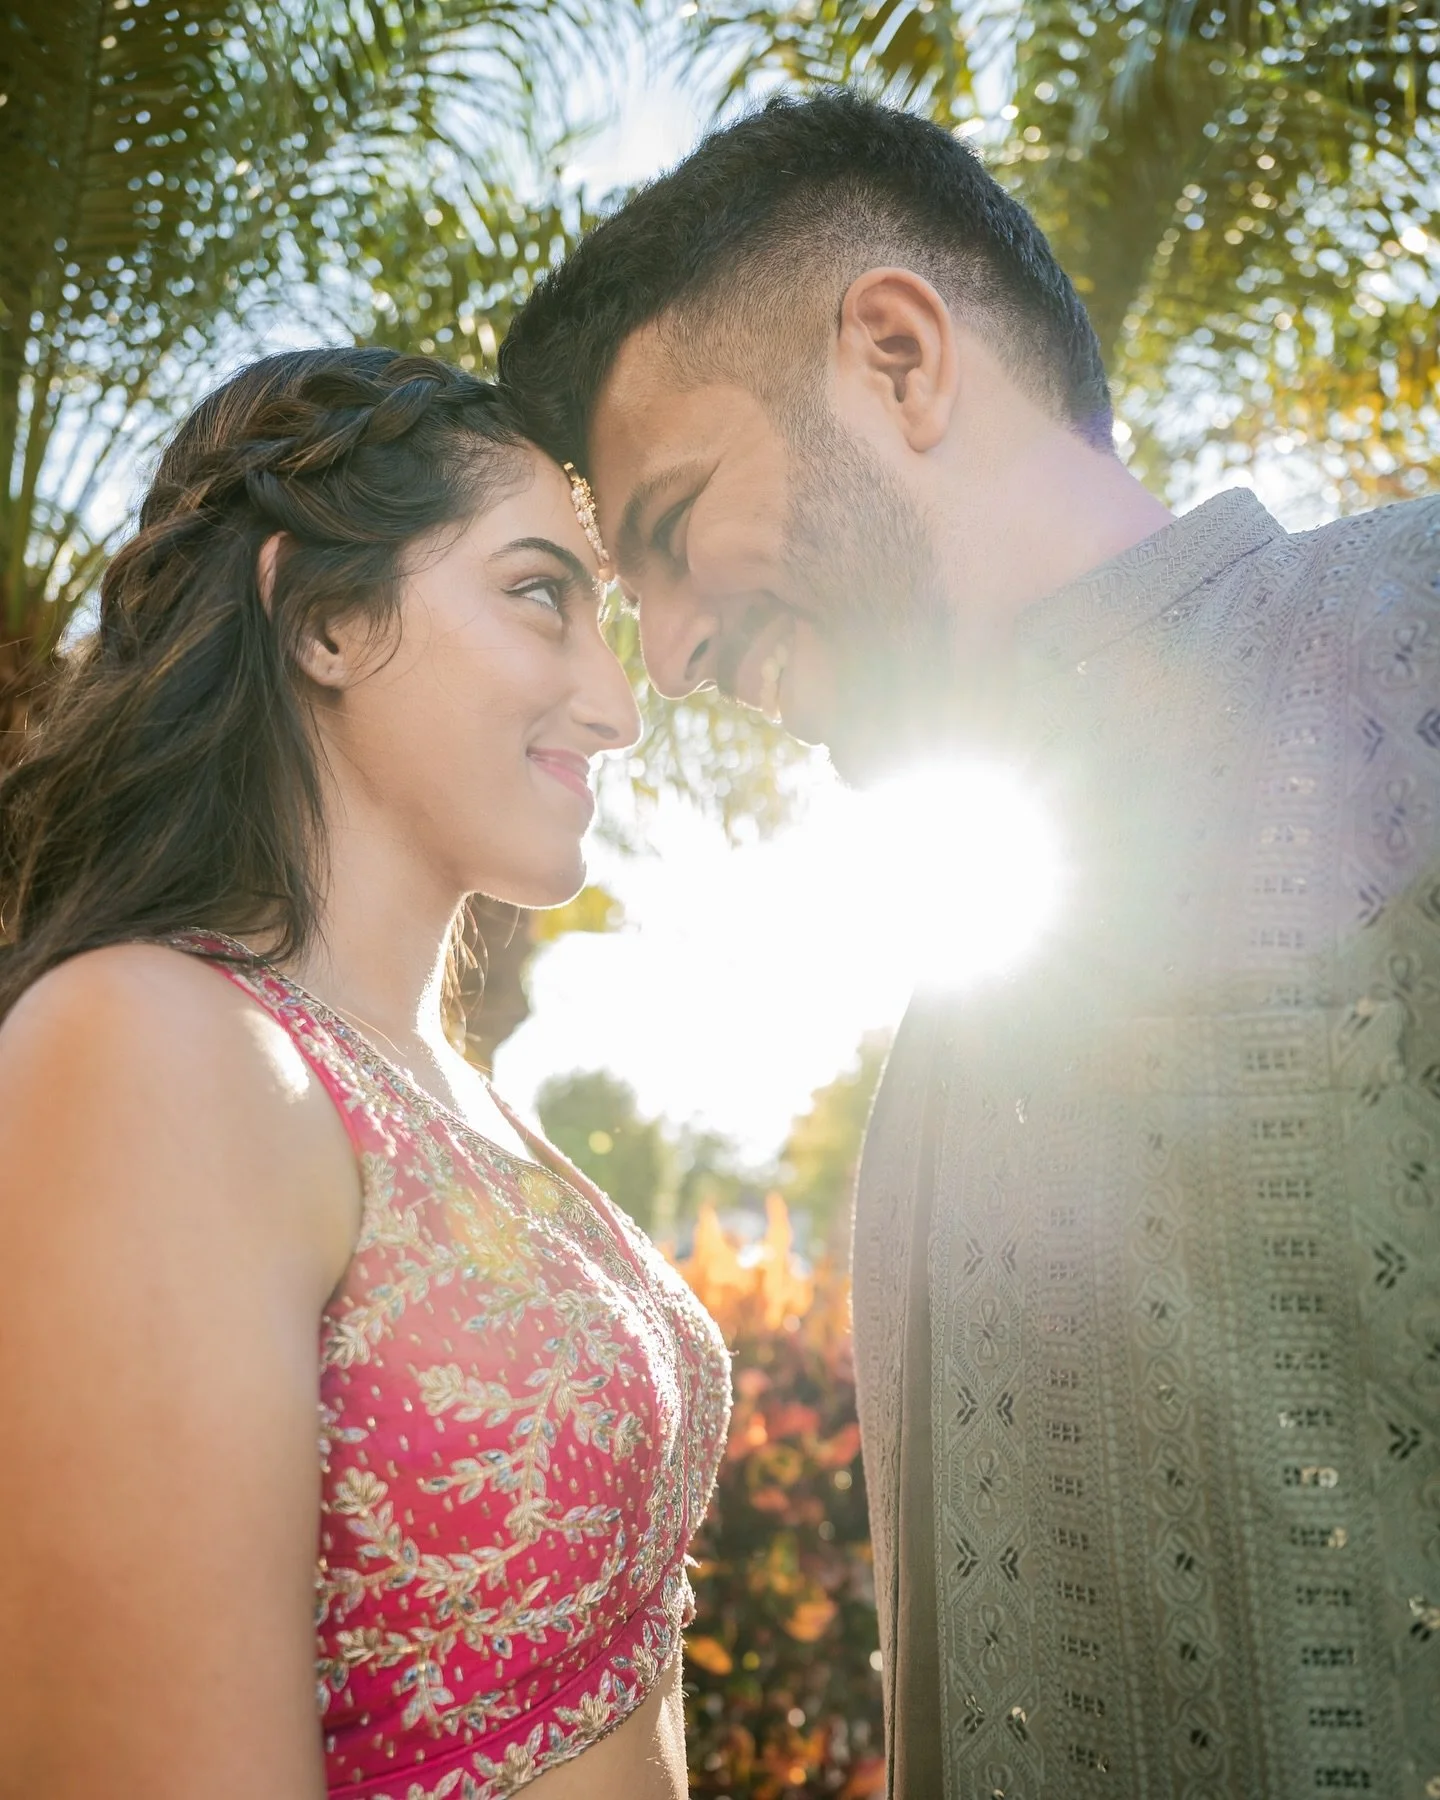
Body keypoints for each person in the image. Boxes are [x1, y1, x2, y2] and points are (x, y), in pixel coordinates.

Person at [499, 89, 1440, 1800]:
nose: (672, 658)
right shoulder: (963, 1001)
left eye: (676, 531)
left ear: (900, 357)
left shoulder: (1414, 630)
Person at [0, 347, 731, 1800]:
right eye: (541, 595)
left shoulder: (450, 1085)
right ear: (325, 618)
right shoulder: (150, 1047)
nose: (618, 704)